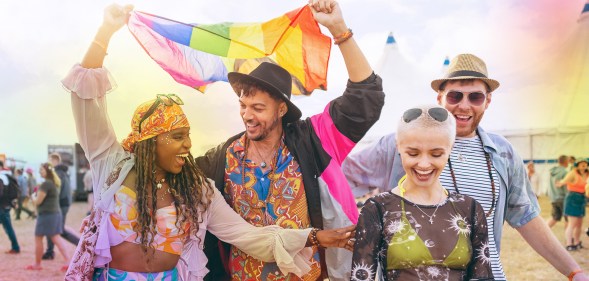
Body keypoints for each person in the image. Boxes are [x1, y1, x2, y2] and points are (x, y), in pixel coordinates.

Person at [63, 4, 354, 280]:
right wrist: (105, 31)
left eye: (188, 135)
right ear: (150, 141)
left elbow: (249, 236)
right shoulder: (112, 166)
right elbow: (85, 98)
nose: (188, 145)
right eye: (177, 136)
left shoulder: (197, 190)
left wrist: (314, 236)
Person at [342, 54, 588, 280]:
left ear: (487, 101)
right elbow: (339, 177)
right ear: (440, 98)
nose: (464, 105)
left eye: (475, 96)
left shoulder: (502, 153)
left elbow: (527, 217)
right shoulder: (399, 144)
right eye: (455, 96)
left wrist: (574, 271)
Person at [195, 1, 384, 280]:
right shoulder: (224, 154)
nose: (247, 115)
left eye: (258, 108)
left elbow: (365, 99)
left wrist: (339, 30)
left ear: (281, 109)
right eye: (243, 105)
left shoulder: (312, 139)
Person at [351, 105, 493, 280]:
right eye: (413, 153)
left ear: (450, 148)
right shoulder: (378, 209)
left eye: (436, 154)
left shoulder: (470, 209)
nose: (424, 164)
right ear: (398, 146)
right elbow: (360, 276)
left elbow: (483, 277)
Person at [26, 163, 71, 270]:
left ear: (48, 171)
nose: (40, 172)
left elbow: (38, 201)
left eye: (41, 170)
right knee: (56, 238)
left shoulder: (46, 184)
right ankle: (69, 262)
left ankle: (37, 264)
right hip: (53, 214)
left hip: (47, 215)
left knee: (40, 238)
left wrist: (32, 197)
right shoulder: (53, 183)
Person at [42, 153, 80, 260]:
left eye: (50, 161)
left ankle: (81, 245)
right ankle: (50, 252)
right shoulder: (63, 172)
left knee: (58, 229)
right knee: (52, 228)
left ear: (54, 161)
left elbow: (54, 192)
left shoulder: (57, 174)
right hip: (64, 203)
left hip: (60, 204)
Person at [558, 158, 588, 251]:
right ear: (577, 165)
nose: (584, 165)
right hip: (572, 198)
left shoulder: (587, 173)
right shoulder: (573, 173)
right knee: (572, 223)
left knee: (579, 223)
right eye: (581, 164)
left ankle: (577, 242)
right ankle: (569, 244)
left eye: (585, 164)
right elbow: (563, 181)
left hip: (582, 199)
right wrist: (561, 183)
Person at [0, 160, 20, 254]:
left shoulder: (1, 177)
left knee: (8, 228)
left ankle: (15, 247)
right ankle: (15, 247)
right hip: (6, 206)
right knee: (8, 227)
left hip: (2, 207)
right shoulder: (7, 176)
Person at [547, 155, 569, 228]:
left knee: (555, 217)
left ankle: (541, 232)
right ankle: (568, 239)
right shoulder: (565, 172)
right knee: (568, 219)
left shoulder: (552, 171)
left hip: (554, 198)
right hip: (563, 198)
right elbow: (567, 187)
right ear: (566, 162)